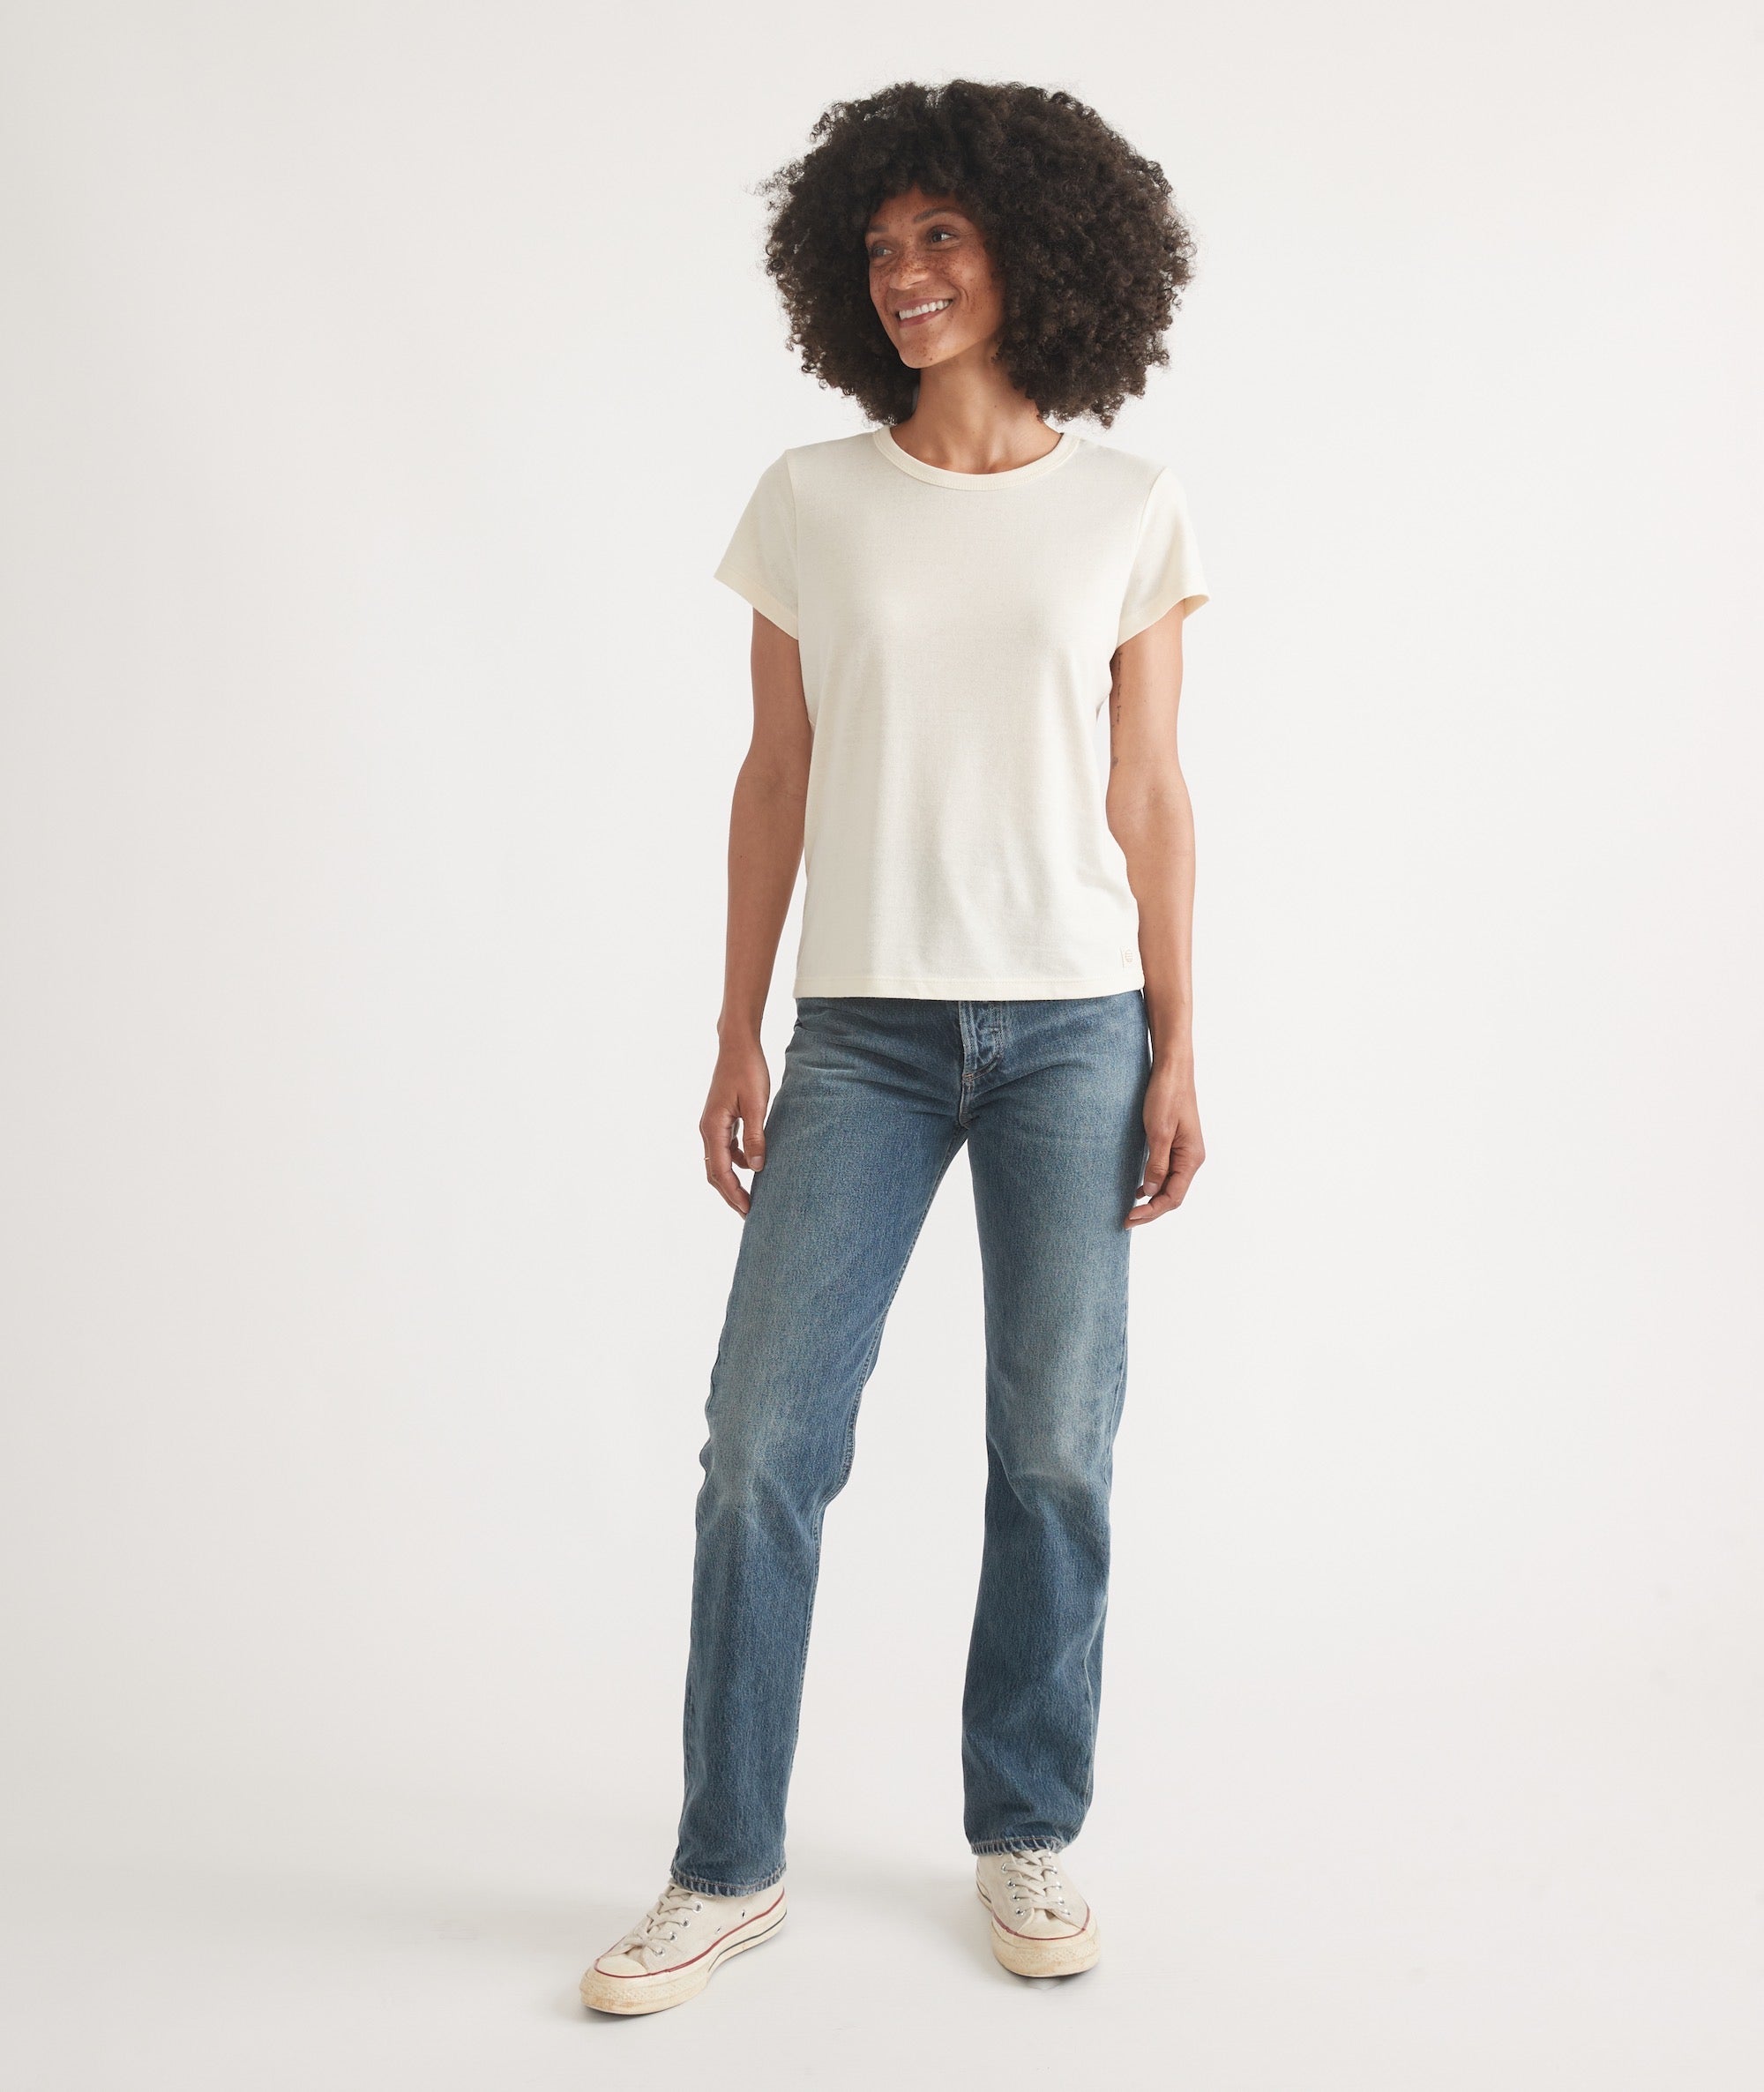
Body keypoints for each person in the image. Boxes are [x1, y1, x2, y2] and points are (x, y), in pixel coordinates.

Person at [581, 78, 1211, 2016]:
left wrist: (1180, 1041)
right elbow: (774, 773)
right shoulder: (810, 499)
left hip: (1074, 1026)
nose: (906, 272)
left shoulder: (1129, 506)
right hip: (857, 1032)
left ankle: (1025, 1828)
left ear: (1038, 248)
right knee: (760, 1449)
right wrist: (733, 1022)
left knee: (1056, 1450)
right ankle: (725, 1864)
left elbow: (1150, 787)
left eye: (942, 234)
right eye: (878, 245)